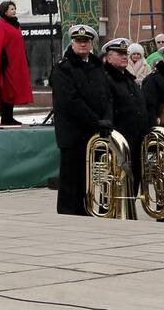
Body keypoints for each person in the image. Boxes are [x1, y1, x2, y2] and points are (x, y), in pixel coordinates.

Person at [51, 25, 111, 216]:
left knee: (88, 177)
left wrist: (106, 118)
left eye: (86, 41)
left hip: (93, 131)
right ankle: (68, 214)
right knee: (71, 177)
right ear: (72, 43)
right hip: (73, 132)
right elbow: (71, 101)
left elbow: (106, 96)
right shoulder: (63, 68)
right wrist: (96, 120)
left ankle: (84, 210)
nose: (83, 44)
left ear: (92, 43)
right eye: (79, 41)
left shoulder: (96, 66)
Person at [101, 37, 150, 188]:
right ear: (108, 58)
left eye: (125, 53)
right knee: (116, 188)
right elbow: (106, 111)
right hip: (117, 143)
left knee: (131, 186)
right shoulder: (105, 79)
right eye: (119, 53)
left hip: (135, 142)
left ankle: (128, 211)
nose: (124, 56)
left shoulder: (128, 80)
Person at [0, 1, 33, 125]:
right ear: (5, 11)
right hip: (6, 64)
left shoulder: (15, 24)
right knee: (5, 90)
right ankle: (6, 117)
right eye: (11, 9)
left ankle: (9, 117)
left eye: (14, 8)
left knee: (12, 91)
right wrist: (2, 59)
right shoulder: (0, 24)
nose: (14, 11)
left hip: (16, 64)